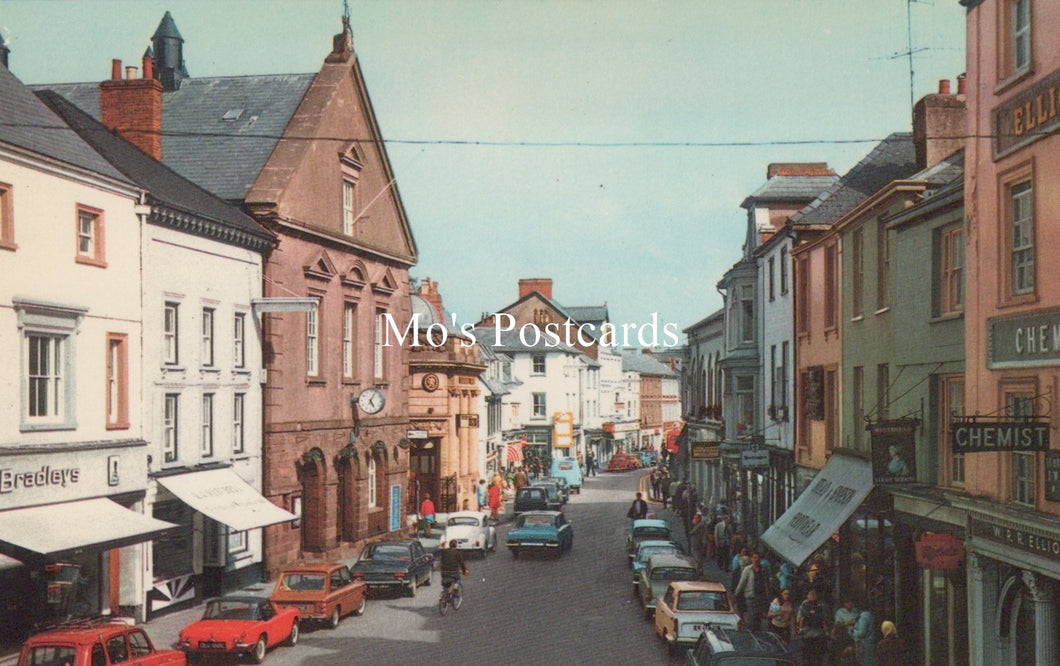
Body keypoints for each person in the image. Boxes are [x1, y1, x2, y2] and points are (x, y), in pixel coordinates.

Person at [733, 552, 768, 629]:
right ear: (752, 559)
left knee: (759, 616)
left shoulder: (763, 570)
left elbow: (766, 583)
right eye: (755, 558)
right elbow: (742, 583)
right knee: (751, 615)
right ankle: (751, 630)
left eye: (758, 558)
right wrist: (736, 594)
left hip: (760, 597)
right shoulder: (748, 570)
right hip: (751, 596)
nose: (756, 560)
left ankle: (758, 630)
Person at [797, 588, 829, 665]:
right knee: (814, 656)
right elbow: (824, 619)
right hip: (812, 634)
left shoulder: (805, 606)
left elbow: (800, 618)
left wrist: (800, 629)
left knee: (810, 656)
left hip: (812, 634)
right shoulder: (820, 606)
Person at [831, 598, 858, 663]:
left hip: (855, 637)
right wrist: (847, 623)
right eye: (847, 602)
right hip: (843, 637)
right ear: (844, 604)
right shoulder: (840, 612)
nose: (849, 604)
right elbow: (837, 625)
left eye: (851, 602)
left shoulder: (856, 611)